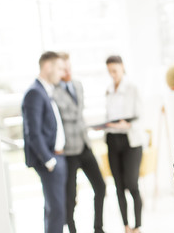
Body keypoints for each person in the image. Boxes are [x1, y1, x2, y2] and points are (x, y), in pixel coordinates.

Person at [52, 53, 106, 233]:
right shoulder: (53, 91)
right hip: (68, 151)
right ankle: (72, 230)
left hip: (84, 145)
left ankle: (98, 228)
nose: (67, 71)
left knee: (100, 186)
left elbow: (77, 114)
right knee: (71, 196)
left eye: (69, 67)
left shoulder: (78, 85)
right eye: (63, 68)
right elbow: (71, 115)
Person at [22, 51, 67, 233]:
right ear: (47, 67)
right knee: (56, 211)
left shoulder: (45, 90)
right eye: (58, 68)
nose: (61, 73)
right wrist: (49, 161)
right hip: (50, 161)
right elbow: (33, 132)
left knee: (54, 210)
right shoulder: (35, 92)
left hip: (58, 158)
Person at [104, 55, 144, 233]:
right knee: (118, 186)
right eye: (109, 71)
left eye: (115, 70)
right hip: (113, 139)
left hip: (131, 140)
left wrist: (126, 124)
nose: (112, 75)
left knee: (132, 184)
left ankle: (138, 226)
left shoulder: (133, 88)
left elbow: (141, 115)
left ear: (122, 68)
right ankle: (126, 226)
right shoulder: (108, 89)